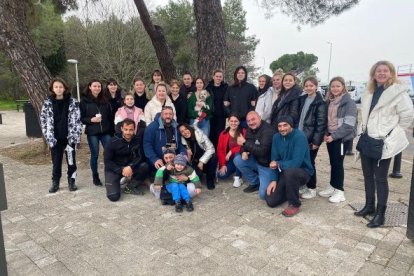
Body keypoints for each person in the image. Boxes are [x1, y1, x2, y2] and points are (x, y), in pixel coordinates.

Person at [354, 61, 414, 228]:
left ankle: (381, 213)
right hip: (367, 139)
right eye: (378, 71)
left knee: (380, 178)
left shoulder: (398, 93)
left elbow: (407, 116)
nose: (381, 73)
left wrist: (393, 135)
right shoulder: (369, 92)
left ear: (391, 73)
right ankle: (369, 206)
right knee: (367, 176)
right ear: (374, 74)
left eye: (385, 71)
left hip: (384, 141)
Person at [265, 116, 314, 217]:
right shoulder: (276, 137)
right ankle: (290, 191)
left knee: (290, 172)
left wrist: (279, 164)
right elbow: (274, 159)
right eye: (279, 126)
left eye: (285, 125)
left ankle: (294, 204)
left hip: (302, 171)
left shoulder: (299, 136)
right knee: (270, 200)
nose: (282, 128)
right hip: (284, 171)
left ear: (291, 125)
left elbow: (296, 162)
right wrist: (274, 180)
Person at [40, 77, 82, 193]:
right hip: (55, 138)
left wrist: (76, 136)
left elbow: (78, 120)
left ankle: (71, 181)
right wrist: (47, 134)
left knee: (71, 161)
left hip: (69, 138)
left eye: (61, 87)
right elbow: (43, 119)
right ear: (52, 89)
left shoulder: (73, 102)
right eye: (56, 87)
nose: (58, 89)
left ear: (65, 88)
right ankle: (55, 182)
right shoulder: (48, 103)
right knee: (56, 162)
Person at [319, 77, 357, 203]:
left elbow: (349, 125)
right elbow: (327, 120)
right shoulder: (329, 101)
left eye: (338, 86)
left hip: (341, 138)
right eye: (333, 86)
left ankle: (339, 191)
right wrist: (326, 134)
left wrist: (333, 136)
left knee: (338, 164)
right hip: (330, 136)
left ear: (343, 87)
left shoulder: (349, 103)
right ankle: (332, 186)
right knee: (333, 162)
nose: (335, 88)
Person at [104, 119, 149, 201]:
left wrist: (131, 167)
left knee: (144, 166)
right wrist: (121, 170)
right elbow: (107, 162)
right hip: (114, 168)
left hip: (130, 167)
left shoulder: (137, 140)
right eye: (126, 129)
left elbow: (140, 156)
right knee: (113, 197)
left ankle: (130, 186)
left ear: (134, 130)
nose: (128, 132)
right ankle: (116, 182)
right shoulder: (112, 141)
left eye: (131, 130)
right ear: (121, 129)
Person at [297, 77, 327, 199]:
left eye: (311, 85)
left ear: (316, 86)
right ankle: (303, 184)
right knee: (301, 162)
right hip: (299, 136)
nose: (309, 88)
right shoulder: (302, 99)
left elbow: (321, 124)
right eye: (306, 85)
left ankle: (312, 187)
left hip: (310, 138)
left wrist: (316, 141)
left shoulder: (320, 102)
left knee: (310, 163)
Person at [234, 111, 275, 199]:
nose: (251, 122)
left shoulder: (268, 130)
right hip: (256, 160)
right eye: (248, 121)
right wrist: (243, 152)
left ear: (259, 118)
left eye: (253, 119)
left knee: (263, 195)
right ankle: (255, 182)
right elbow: (245, 145)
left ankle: (274, 181)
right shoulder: (250, 129)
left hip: (266, 165)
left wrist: (245, 143)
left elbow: (263, 151)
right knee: (238, 159)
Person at [80, 79, 113, 186]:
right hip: (92, 132)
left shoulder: (105, 99)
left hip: (105, 131)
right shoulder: (84, 101)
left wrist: (111, 129)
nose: (97, 88)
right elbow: (81, 118)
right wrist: (91, 120)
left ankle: (109, 174)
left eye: (99, 86)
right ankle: (95, 176)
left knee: (109, 153)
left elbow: (109, 116)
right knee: (95, 154)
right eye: (95, 86)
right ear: (90, 87)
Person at [143, 106, 186, 172]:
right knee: (163, 174)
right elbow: (147, 144)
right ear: (161, 114)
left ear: (173, 115)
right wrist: (154, 159)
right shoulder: (152, 127)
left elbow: (179, 144)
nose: (168, 116)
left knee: (194, 171)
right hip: (159, 159)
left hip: (174, 158)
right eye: (166, 114)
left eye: (170, 114)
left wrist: (183, 153)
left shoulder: (176, 127)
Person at [178, 123, 217, 190]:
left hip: (205, 161)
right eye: (182, 131)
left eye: (186, 129)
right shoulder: (183, 141)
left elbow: (211, 149)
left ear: (189, 128)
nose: (185, 132)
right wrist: (188, 154)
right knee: (198, 177)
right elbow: (187, 162)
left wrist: (202, 161)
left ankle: (210, 178)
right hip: (194, 163)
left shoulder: (199, 134)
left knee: (213, 156)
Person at [217, 114, 246, 188]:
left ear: (239, 122)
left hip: (241, 157)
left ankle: (238, 177)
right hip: (229, 159)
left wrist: (231, 151)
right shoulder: (223, 133)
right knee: (221, 175)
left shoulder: (243, 131)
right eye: (231, 121)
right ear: (228, 121)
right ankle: (236, 169)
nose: (233, 123)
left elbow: (245, 146)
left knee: (237, 155)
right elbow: (220, 150)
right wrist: (223, 164)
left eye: (236, 121)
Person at [206, 69, 228, 148]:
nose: (218, 78)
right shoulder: (208, 88)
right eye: (217, 76)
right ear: (213, 77)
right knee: (211, 135)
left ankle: (219, 155)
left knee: (220, 135)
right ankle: (212, 155)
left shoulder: (225, 87)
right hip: (211, 115)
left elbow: (229, 98)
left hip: (221, 116)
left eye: (220, 77)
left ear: (222, 78)